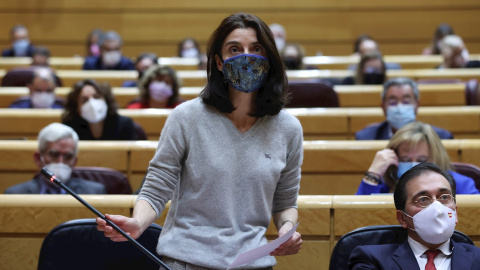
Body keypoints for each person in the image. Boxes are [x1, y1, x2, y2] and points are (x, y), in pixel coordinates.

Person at [97, 12, 303, 270]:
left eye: (257, 48)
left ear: (270, 59)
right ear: (219, 62)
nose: (246, 56)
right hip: (185, 261)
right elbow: (157, 185)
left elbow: (285, 202)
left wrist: (286, 230)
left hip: (253, 263)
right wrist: (138, 222)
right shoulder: (186, 117)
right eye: (235, 49)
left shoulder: (288, 128)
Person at [349, 162, 480, 269]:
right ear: (402, 218)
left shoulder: (477, 259)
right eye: (423, 199)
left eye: (444, 197)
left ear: (455, 213)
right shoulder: (372, 260)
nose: (437, 208)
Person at [356, 121, 479, 195]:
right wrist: (373, 174)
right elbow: (353, 219)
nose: (413, 165)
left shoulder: (462, 185)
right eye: (405, 160)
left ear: (435, 158)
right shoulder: (383, 186)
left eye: (421, 160)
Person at [5, 123, 106, 194]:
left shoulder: (94, 192)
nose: (60, 162)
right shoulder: (15, 194)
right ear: (38, 158)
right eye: (54, 154)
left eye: (68, 156)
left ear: (74, 161)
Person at [356, 77, 453, 140]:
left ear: (417, 105)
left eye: (406, 102)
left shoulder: (441, 138)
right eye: (393, 102)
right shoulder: (365, 138)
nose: (399, 107)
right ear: (383, 107)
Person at [62, 79, 136, 140]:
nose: (92, 103)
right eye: (85, 100)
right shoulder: (70, 127)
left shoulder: (124, 124)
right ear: (76, 107)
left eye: (96, 97)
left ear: (106, 100)